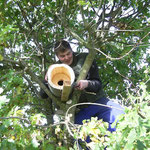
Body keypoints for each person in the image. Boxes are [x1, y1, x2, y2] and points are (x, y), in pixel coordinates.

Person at [40, 39, 124, 136]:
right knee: (86, 140)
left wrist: (87, 84)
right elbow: (43, 94)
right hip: (79, 112)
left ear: (72, 50)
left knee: (121, 117)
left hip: (97, 102)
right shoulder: (54, 70)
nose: (66, 58)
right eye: (62, 56)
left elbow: (97, 84)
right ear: (58, 57)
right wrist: (47, 79)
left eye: (68, 53)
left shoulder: (85, 59)